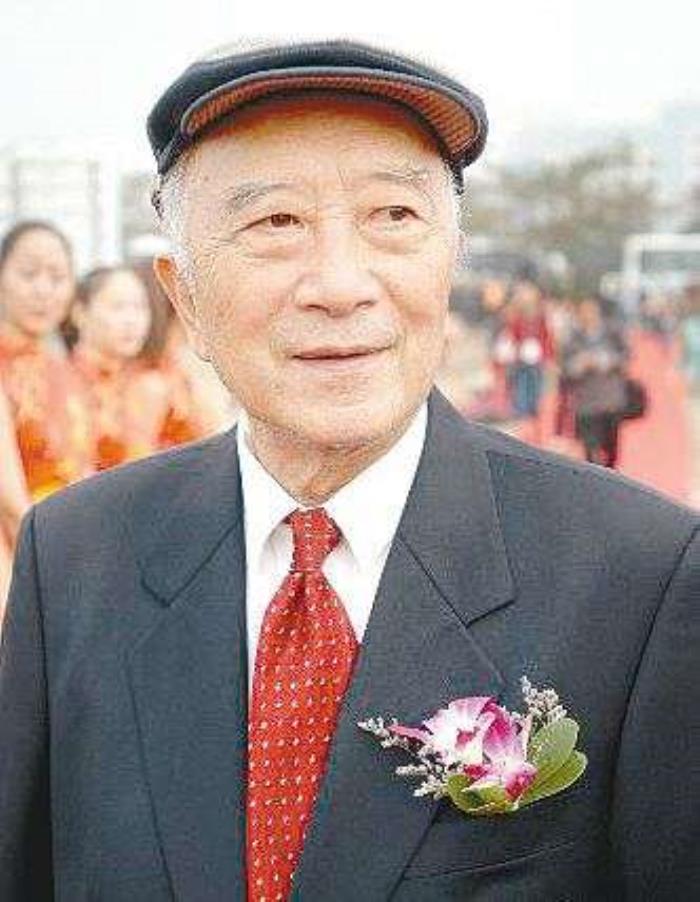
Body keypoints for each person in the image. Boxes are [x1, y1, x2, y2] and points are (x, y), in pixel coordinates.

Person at [1, 40, 699, 902]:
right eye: (275, 224)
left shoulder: (641, 576)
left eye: (393, 216)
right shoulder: (75, 559)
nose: (339, 284)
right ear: (183, 297)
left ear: (450, 260)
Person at [0, 221, 93, 502]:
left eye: (57, 277)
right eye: (28, 274)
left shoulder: (66, 369)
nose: (43, 290)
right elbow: (10, 504)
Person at [72, 266, 160, 470]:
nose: (131, 320)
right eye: (117, 307)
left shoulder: (149, 384)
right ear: (80, 313)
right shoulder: (60, 382)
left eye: (140, 307)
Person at [562, 297, 630, 467]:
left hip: (610, 401)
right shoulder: (573, 338)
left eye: (591, 311)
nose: (587, 315)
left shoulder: (612, 333)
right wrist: (579, 364)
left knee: (611, 449)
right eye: (583, 312)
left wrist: (604, 361)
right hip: (586, 403)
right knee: (590, 451)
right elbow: (565, 369)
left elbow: (625, 357)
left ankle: (610, 476)